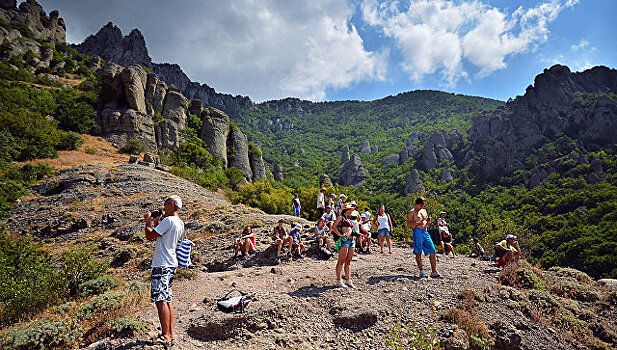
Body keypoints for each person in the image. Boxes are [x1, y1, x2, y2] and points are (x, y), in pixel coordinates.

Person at [143, 196, 184, 346]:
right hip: (171, 263)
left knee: (160, 301)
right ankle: (170, 334)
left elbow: (149, 236)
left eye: (166, 205)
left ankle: (166, 335)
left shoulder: (168, 221)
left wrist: (147, 221)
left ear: (172, 204)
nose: (164, 208)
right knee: (167, 299)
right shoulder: (179, 222)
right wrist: (156, 222)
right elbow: (162, 234)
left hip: (162, 264)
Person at [406, 197, 442, 278]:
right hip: (417, 231)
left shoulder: (424, 211)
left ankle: (434, 271)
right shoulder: (412, 212)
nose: (422, 206)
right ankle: (421, 271)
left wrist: (428, 222)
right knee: (418, 251)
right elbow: (408, 224)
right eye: (422, 205)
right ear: (418, 204)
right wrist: (418, 223)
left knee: (433, 250)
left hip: (425, 231)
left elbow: (425, 223)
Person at [332, 203, 357, 288]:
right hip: (345, 240)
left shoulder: (347, 218)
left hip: (351, 240)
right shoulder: (341, 217)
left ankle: (348, 280)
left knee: (348, 261)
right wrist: (340, 234)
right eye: (350, 209)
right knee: (341, 261)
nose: (351, 211)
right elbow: (333, 226)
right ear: (346, 210)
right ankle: (339, 280)